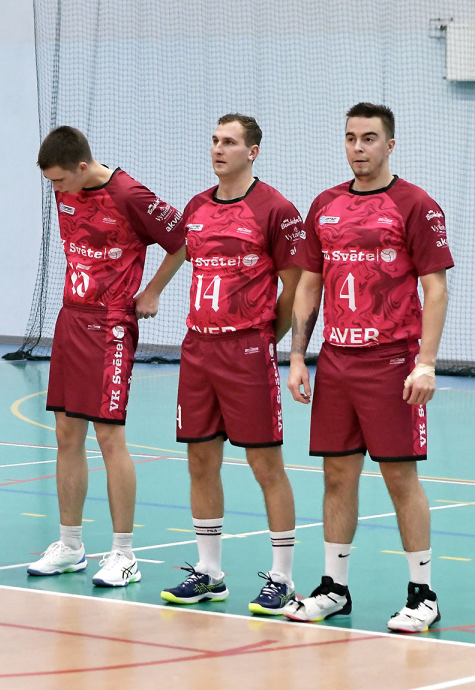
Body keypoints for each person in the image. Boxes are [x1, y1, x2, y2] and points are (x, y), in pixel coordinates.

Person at [285, 103, 452, 633]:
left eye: (370, 138)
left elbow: (436, 289)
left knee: (400, 477)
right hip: (336, 360)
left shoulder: (415, 204)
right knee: (337, 475)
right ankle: (334, 587)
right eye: (351, 138)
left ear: (390, 145)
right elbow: (309, 284)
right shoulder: (325, 205)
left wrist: (426, 363)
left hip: (392, 361)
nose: (358, 147)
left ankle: (423, 595)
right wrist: (297, 356)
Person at [159, 114, 308, 613]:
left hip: (246, 352)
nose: (218, 149)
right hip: (198, 350)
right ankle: (209, 572)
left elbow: (295, 286)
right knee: (200, 461)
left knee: (265, 465)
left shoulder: (275, 209)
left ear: (253, 151)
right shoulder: (197, 206)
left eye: (229, 142)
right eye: (215, 141)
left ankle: (282, 578)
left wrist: (265, 337)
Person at [26, 126, 185, 586]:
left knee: (109, 437)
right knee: (65, 433)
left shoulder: (129, 194)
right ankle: (70, 545)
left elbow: (183, 239)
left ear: (82, 167)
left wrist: (152, 291)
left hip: (110, 324)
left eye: (60, 181)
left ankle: (124, 554)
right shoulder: (65, 189)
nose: (56, 190)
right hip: (71, 319)